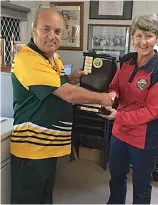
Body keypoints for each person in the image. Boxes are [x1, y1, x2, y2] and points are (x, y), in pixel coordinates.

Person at [10, 8, 113, 204]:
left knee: (45, 198)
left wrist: (72, 78)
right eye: (46, 29)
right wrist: (103, 98)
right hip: (32, 150)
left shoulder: (54, 58)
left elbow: (57, 87)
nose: (52, 36)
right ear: (34, 31)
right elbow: (69, 94)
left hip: (49, 148)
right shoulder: (28, 58)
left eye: (57, 31)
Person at [101, 14, 158, 204]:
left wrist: (119, 115)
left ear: (157, 38)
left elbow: (153, 111)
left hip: (144, 138)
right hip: (120, 132)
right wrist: (113, 95)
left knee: (141, 185)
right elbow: (114, 85)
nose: (143, 42)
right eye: (138, 35)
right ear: (132, 36)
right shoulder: (126, 61)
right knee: (116, 177)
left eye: (148, 36)